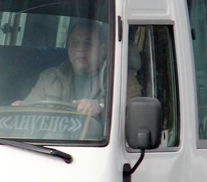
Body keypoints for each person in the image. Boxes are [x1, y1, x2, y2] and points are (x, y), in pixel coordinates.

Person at [13, 22, 141, 116]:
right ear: (68, 48)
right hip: (51, 145)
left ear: (103, 49)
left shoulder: (122, 79)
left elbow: (135, 116)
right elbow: (29, 111)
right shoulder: (49, 77)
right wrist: (20, 109)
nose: (80, 49)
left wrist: (102, 107)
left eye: (88, 43)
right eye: (75, 43)